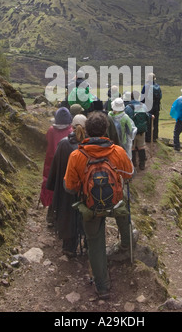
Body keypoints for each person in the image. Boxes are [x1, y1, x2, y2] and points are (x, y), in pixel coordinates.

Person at [64, 111, 134, 300]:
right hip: (115, 201)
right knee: (124, 210)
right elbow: (129, 175)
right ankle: (127, 245)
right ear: (106, 130)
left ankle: (102, 286)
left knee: (95, 242)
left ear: (86, 131)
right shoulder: (118, 151)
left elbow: (69, 187)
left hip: (90, 206)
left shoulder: (77, 155)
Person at [46, 114, 87, 257]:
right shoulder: (87, 145)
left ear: (73, 127)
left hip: (65, 188)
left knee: (66, 215)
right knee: (83, 215)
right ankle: (87, 244)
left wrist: (52, 184)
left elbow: (55, 167)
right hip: (83, 189)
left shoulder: (63, 143)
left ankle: (68, 247)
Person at [39, 107, 73, 224]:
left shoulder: (51, 130)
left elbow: (47, 142)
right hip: (65, 163)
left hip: (51, 162)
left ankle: (51, 215)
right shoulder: (70, 131)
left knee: (52, 185)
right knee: (64, 187)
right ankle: (61, 216)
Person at [125, 91, 154, 170]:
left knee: (132, 147)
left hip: (131, 131)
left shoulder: (128, 107)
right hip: (141, 130)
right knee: (141, 146)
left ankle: (134, 163)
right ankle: (142, 164)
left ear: (131, 97)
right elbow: (147, 116)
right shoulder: (143, 106)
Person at [141, 73, 162, 143]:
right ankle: (155, 137)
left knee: (148, 122)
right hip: (156, 106)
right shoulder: (157, 86)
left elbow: (142, 97)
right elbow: (160, 96)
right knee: (156, 122)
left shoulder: (146, 86)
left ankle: (148, 138)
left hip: (148, 106)